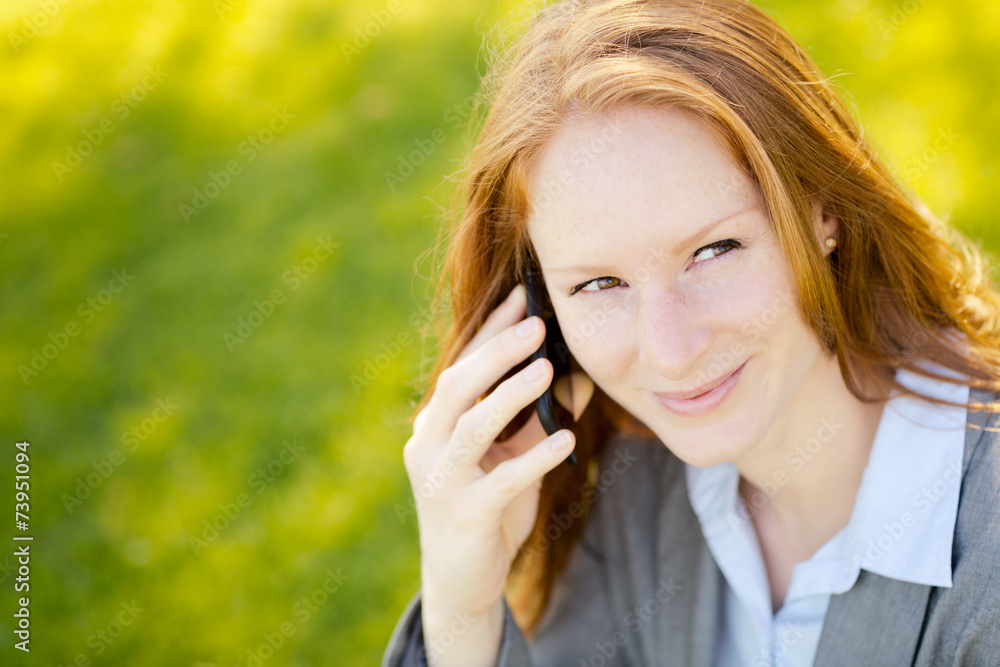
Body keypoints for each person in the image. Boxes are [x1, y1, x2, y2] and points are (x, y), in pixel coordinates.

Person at [383, 0, 1000, 665]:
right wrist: (460, 611)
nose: (671, 354)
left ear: (825, 209)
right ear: (540, 314)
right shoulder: (633, 488)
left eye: (714, 250)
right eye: (598, 284)